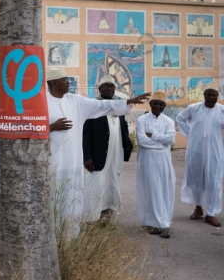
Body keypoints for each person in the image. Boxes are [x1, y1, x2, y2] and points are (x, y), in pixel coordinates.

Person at [47, 67, 150, 224]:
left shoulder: (75, 100)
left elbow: (101, 106)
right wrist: (52, 127)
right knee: (55, 193)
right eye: (65, 80)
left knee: (73, 194)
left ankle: (72, 231)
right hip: (54, 160)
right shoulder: (42, 103)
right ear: (54, 82)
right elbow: (32, 128)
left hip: (73, 161)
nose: (69, 83)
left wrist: (129, 101)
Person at [82, 75, 133, 222]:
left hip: (116, 153)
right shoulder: (93, 107)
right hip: (98, 154)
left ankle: (107, 214)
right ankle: (90, 218)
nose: (110, 89)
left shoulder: (118, 108)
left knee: (113, 181)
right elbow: (85, 135)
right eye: (106, 86)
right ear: (99, 89)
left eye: (112, 86)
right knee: (96, 183)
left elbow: (123, 128)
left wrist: (127, 146)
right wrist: (87, 157)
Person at [176, 83, 224, 227]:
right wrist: (190, 133)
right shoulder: (194, 108)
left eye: (213, 95)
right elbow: (179, 118)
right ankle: (198, 208)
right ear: (204, 96)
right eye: (208, 95)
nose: (211, 97)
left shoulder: (222, 110)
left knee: (213, 181)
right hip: (195, 150)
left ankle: (211, 213)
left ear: (217, 97)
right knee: (196, 179)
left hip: (215, 151)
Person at [136, 92, 176, 239]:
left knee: (165, 191)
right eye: (155, 103)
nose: (158, 106)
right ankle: (152, 222)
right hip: (147, 161)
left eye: (161, 104)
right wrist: (161, 143)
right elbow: (141, 141)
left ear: (164, 106)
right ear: (150, 104)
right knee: (151, 190)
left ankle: (165, 224)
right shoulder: (142, 119)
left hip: (164, 162)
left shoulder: (169, 121)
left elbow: (171, 140)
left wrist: (152, 135)